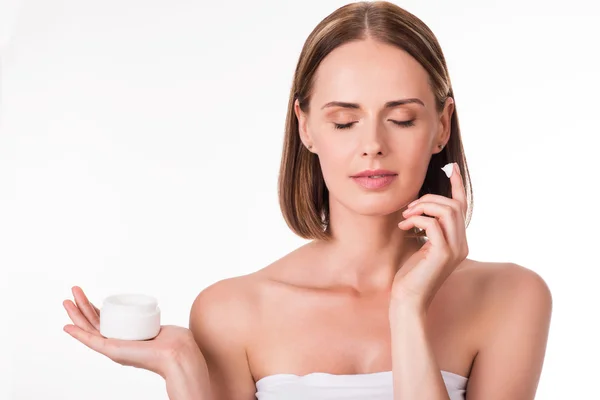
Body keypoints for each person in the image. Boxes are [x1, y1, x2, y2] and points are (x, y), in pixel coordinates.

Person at [62, 1, 553, 399]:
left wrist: (407, 308)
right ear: (306, 127)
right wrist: (182, 369)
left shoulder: (511, 299)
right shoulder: (231, 312)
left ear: (441, 125)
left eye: (401, 118)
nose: (372, 144)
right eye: (344, 121)